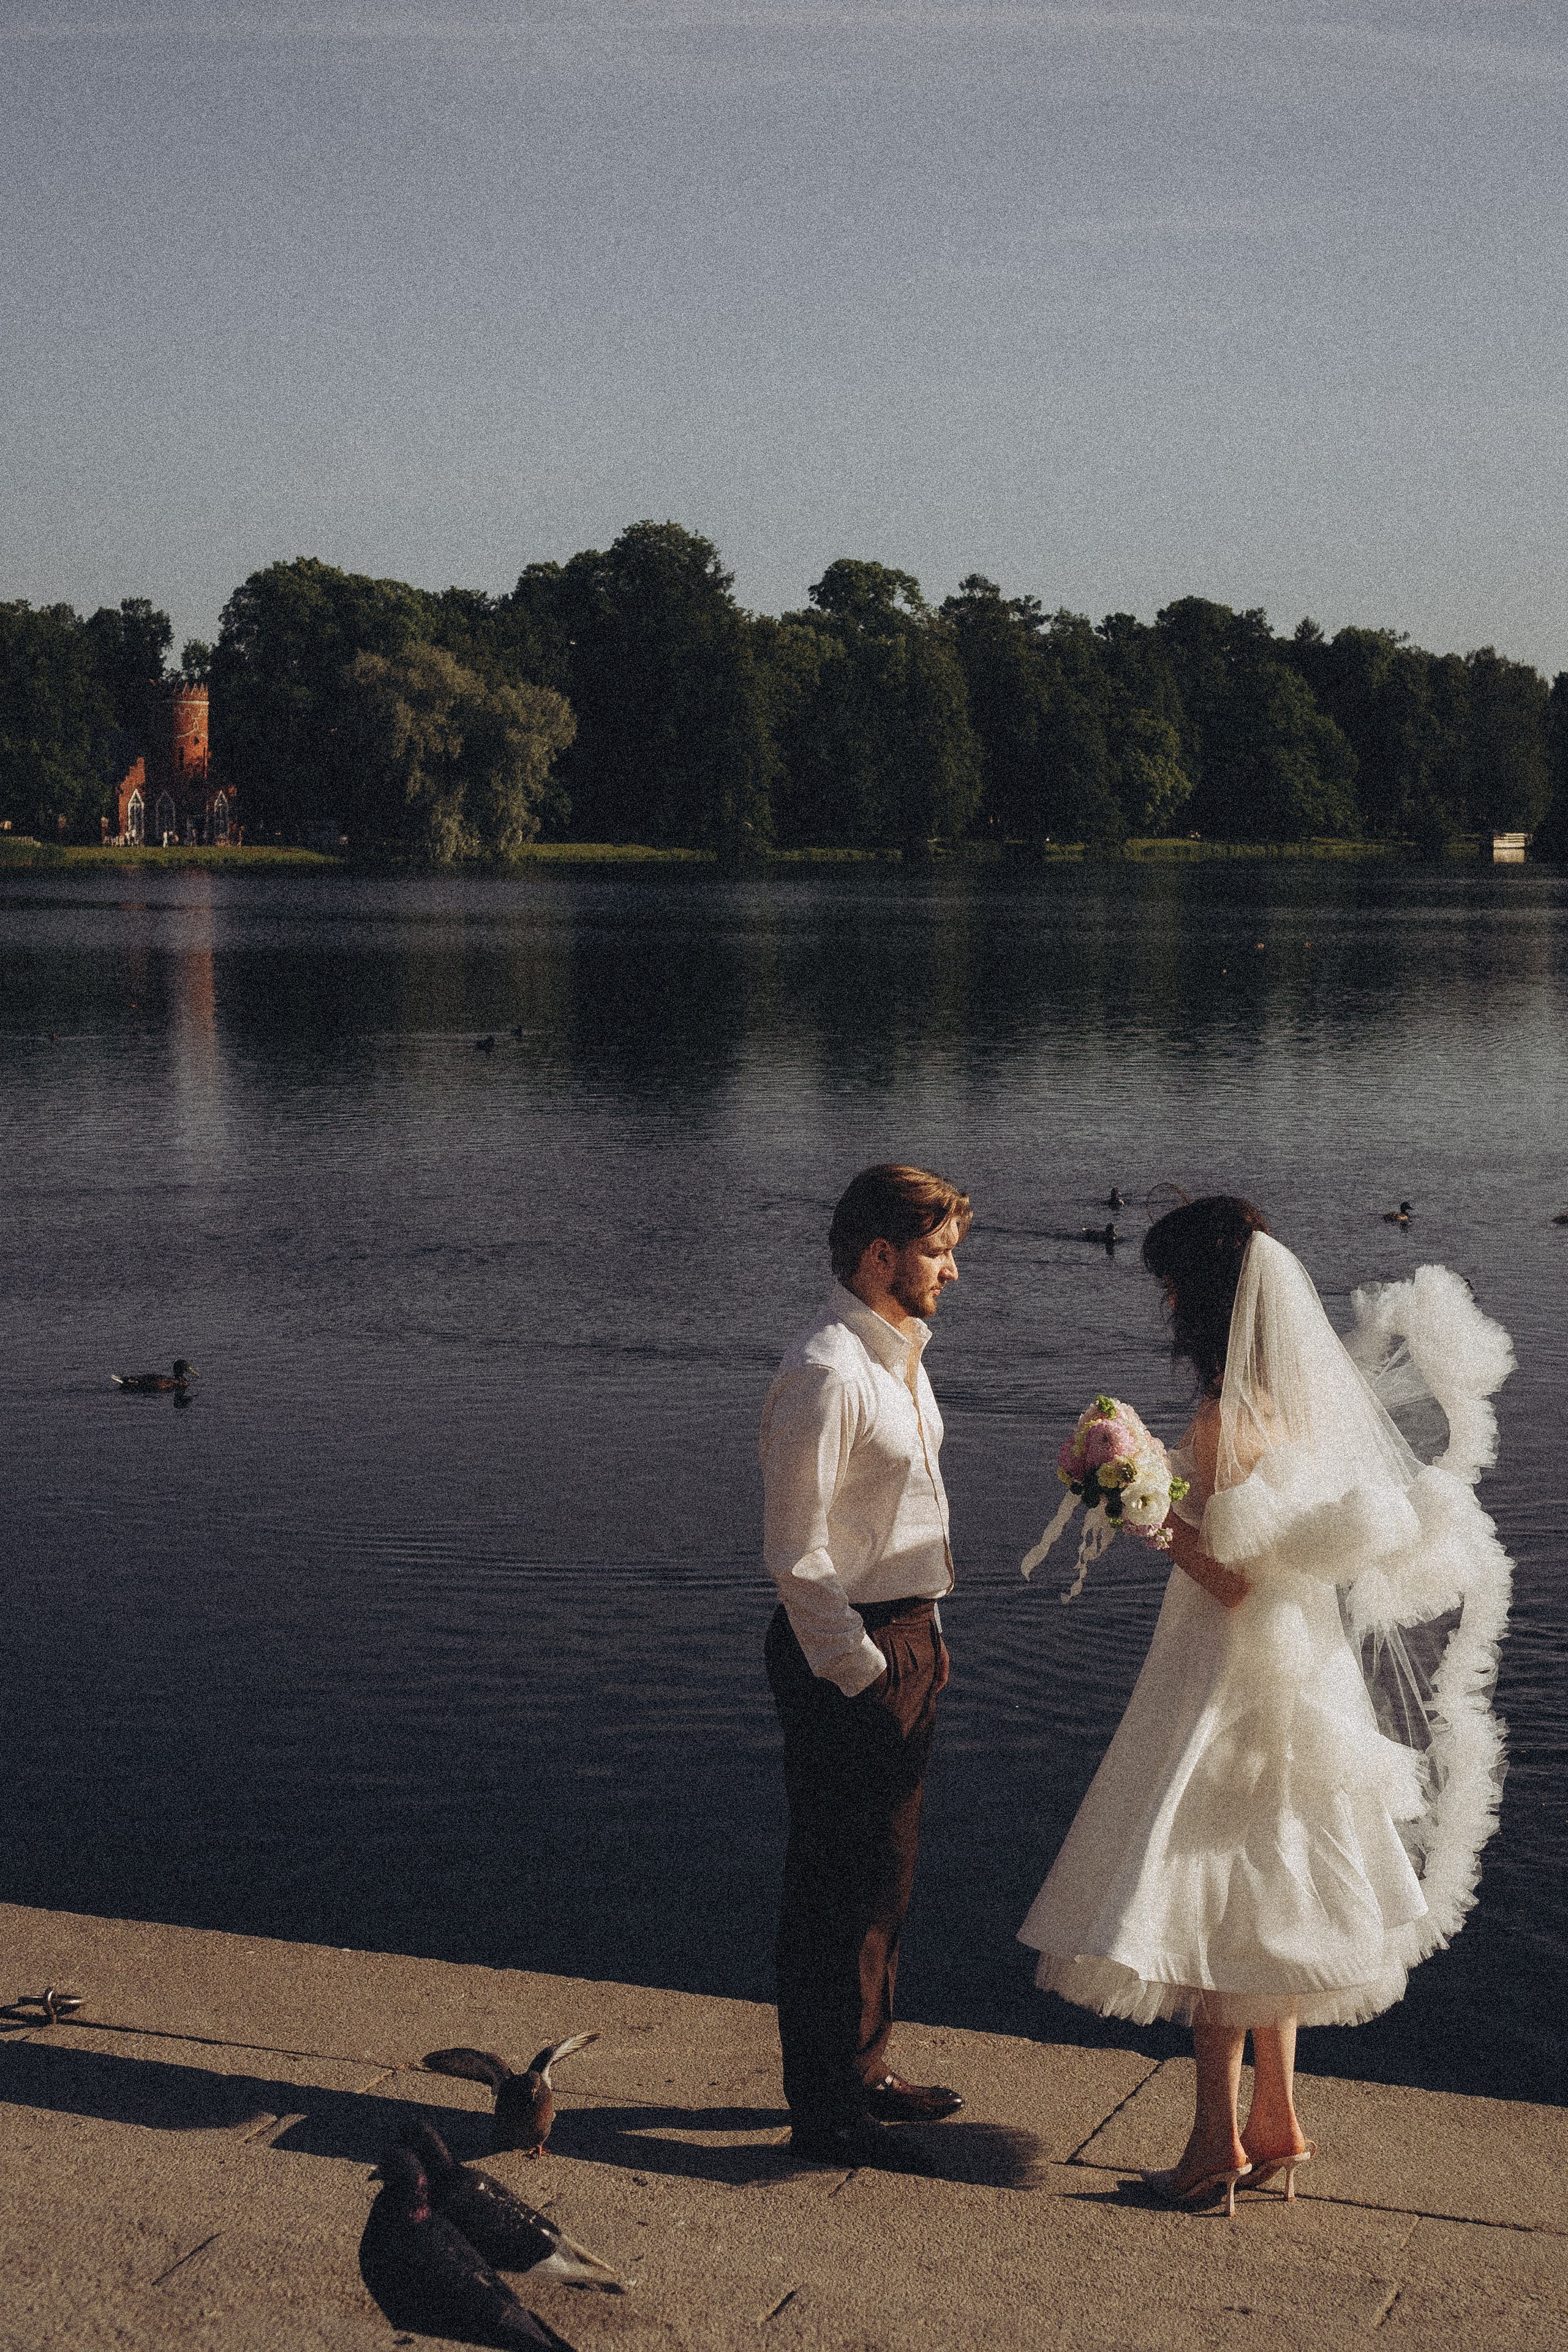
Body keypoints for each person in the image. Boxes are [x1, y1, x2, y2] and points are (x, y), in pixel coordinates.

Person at [1019, 1196, 1514, 2213]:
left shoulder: (1226, 1416)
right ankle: (1278, 2120)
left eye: (1170, 1286)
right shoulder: (1302, 1401)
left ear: (1203, 1299)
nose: (1163, 1304)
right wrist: (1161, 1478)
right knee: (1276, 1887)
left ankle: (1215, 2145)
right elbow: (1277, 1544)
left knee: (1213, 1897)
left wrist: (1142, 1511)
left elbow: (1234, 1576)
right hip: (1308, 1663)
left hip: (1231, 1669)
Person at [761, 1162, 971, 2164]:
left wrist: (925, 1645)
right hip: (851, 1646)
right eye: (937, 1252)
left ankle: (864, 2067)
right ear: (880, 1255)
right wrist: (864, 1670)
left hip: (908, 1633)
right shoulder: (829, 1372)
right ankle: (824, 2107)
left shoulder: (899, 1356)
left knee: (886, 1877)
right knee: (832, 1888)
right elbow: (796, 1555)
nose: (951, 1272)